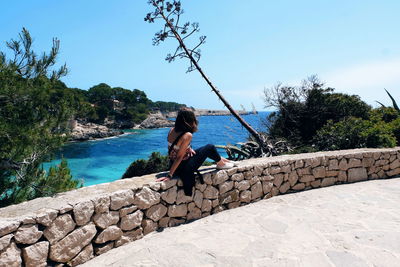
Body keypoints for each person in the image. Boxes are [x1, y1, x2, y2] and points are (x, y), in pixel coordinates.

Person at [156, 108, 235, 196]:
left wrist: (188, 148)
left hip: (173, 164)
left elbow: (173, 149)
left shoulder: (172, 130)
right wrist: (169, 175)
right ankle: (221, 164)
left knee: (207, 150)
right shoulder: (187, 135)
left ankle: (224, 161)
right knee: (210, 147)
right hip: (184, 168)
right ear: (190, 120)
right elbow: (179, 157)